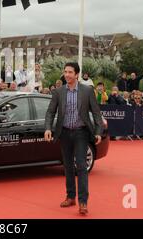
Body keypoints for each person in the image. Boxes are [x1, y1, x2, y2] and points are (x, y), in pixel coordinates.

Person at [44, 62, 103, 216]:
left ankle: (83, 202)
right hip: (64, 132)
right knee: (68, 166)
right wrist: (48, 128)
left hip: (81, 133)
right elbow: (50, 112)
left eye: (70, 72)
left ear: (77, 74)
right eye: (65, 72)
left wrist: (98, 131)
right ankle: (71, 197)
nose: (67, 74)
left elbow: (96, 112)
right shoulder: (58, 92)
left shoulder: (87, 91)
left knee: (81, 166)